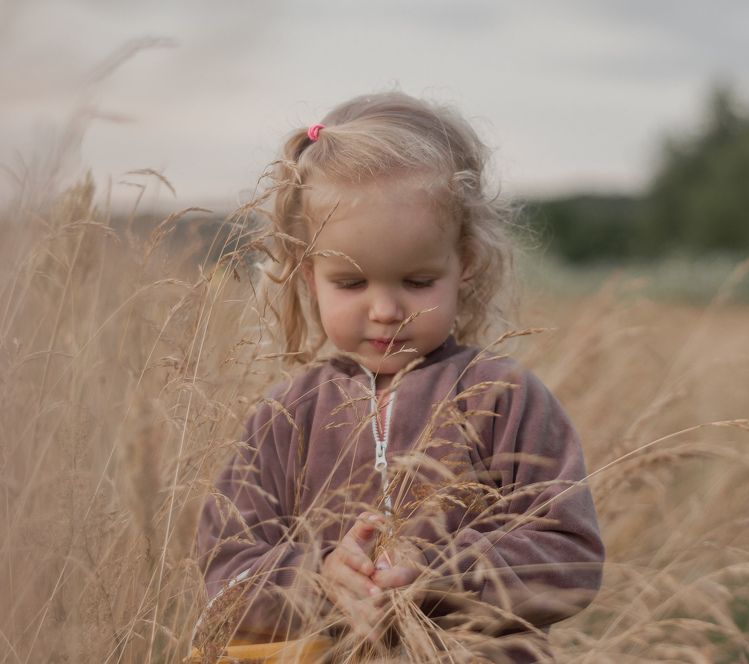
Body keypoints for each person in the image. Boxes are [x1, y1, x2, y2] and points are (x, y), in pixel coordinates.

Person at [196, 91, 604, 663]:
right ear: (309, 275)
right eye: (351, 283)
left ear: (465, 263)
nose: (386, 311)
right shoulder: (285, 416)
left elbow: (570, 555)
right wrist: (318, 578)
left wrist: (439, 573)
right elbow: (225, 573)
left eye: (417, 282)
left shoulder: (503, 398)